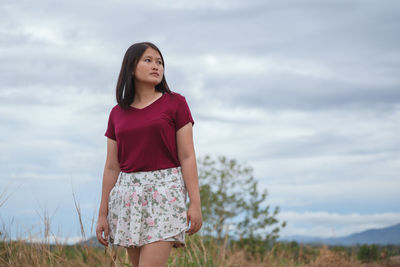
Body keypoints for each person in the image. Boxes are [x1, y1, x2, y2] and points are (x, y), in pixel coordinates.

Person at [96, 41, 202, 267]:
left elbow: (187, 156)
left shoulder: (175, 103)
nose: (156, 66)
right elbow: (112, 167)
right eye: (148, 60)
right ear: (131, 68)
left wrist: (195, 203)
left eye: (160, 62)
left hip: (165, 192)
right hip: (126, 196)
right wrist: (102, 214)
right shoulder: (117, 113)